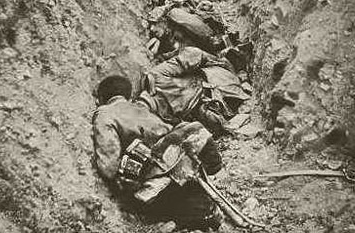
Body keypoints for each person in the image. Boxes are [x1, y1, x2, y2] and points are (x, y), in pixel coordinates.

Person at [92, 75, 223, 229]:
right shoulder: (142, 109)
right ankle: (201, 208)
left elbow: (109, 168)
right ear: (129, 94)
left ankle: (195, 213)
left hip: (154, 188)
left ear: (101, 98)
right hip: (180, 168)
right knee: (187, 130)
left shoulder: (104, 114)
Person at [142, 46, 250, 134]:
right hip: (215, 107)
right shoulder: (161, 120)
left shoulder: (156, 76)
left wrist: (218, 62)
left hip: (216, 81)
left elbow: (193, 53)